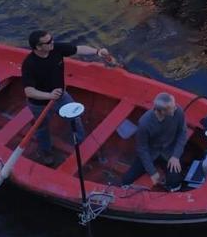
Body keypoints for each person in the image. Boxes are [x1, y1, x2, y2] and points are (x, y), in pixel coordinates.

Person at [22, 30, 115, 166]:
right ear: (38, 47)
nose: (52, 42)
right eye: (48, 42)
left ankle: (81, 145)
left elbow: (78, 49)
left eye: (51, 39)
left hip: (60, 96)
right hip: (40, 103)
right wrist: (48, 95)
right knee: (42, 127)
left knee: (75, 118)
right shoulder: (29, 64)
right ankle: (45, 150)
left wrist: (97, 51)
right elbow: (29, 91)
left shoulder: (56, 48)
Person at [121, 92, 188, 191]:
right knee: (126, 180)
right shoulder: (144, 123)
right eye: (172, 108)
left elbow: (182, 133)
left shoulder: (178, 111)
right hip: (150, 153)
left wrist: (175, 156)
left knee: (175, 181)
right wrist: (152, 171)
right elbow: (142, 149)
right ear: (162, 111)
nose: (176, 108)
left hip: (169, 152)